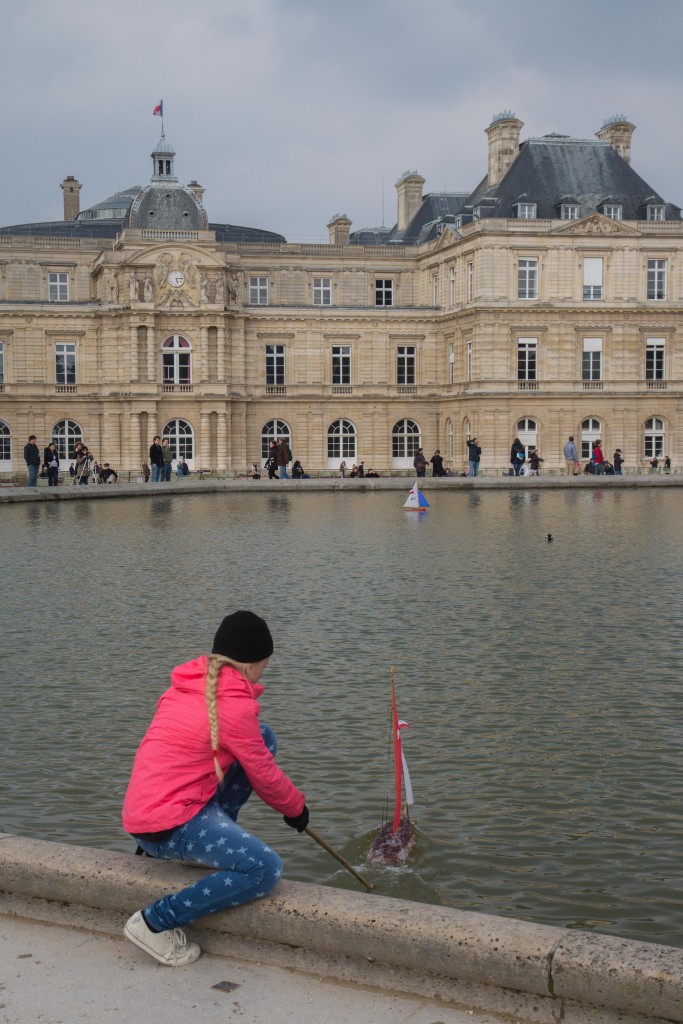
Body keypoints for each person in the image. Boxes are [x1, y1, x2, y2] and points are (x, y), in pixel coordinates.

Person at [121, 610, 309, 967]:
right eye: (266, 664)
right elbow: (265, 776)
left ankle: (208, 842)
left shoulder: (185, 686)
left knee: (263, 736)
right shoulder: (234, 708)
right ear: (253, 665)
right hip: (167, 827)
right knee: (264, 868)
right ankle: (153, 923)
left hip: (146, 817)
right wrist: (296, 810)